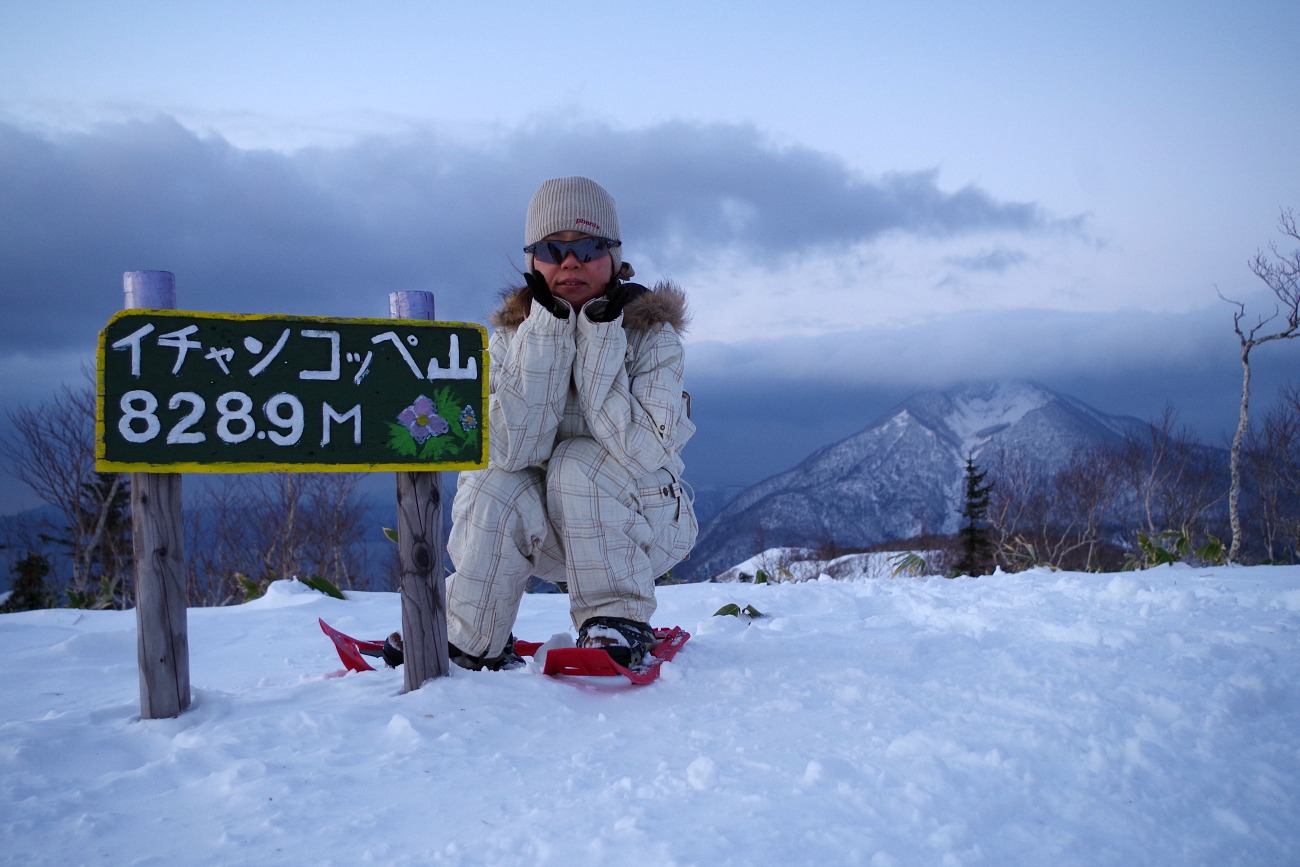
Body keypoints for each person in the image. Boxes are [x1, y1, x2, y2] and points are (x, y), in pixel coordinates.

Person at [413, 176, 697, 671]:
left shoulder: (654, 338)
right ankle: (468, 635)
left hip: (641, 526)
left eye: (589, 247)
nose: (571, 261)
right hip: (547, 528)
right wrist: (545, 334)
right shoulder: (508, 340)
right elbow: (511, 448)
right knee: (494, 478)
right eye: (553, 248)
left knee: (577, 461)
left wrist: (599, 338)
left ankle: (617, 619)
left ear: (614, 256)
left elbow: (642, 452)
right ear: (533, 260)